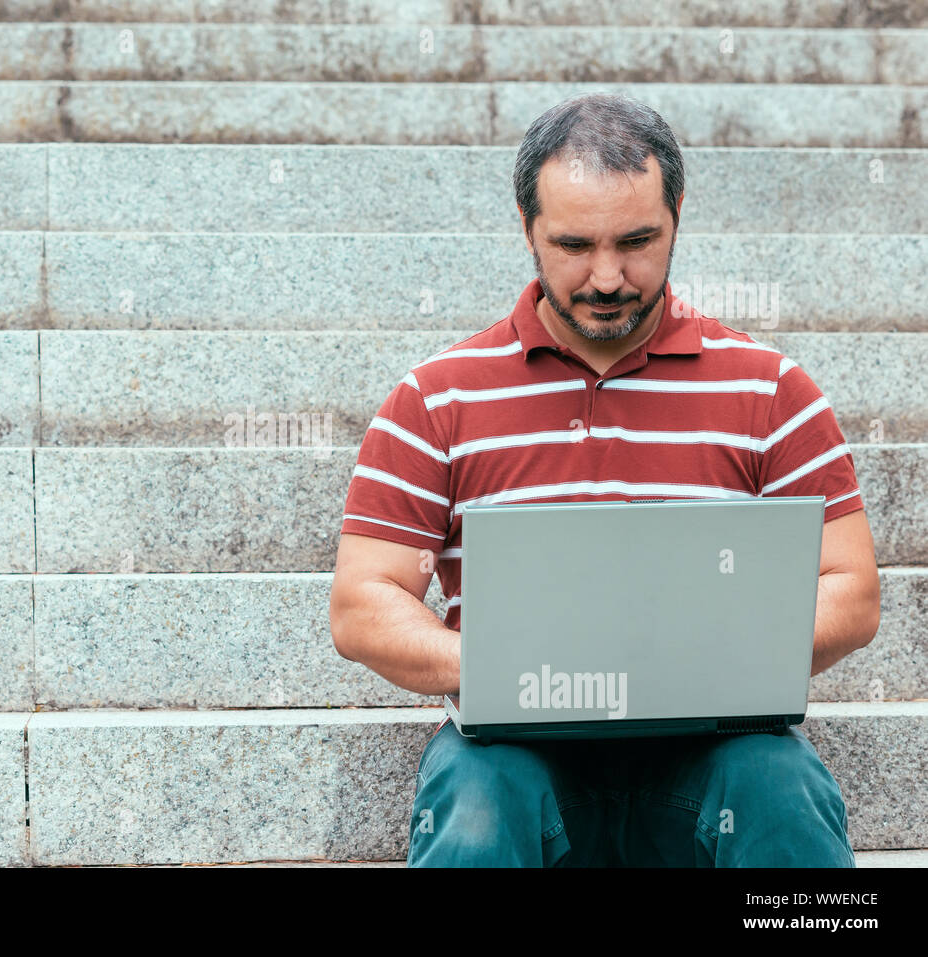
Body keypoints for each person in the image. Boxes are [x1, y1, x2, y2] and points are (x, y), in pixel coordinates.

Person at [328, 92, 881, 867]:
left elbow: (852, 588)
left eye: (638, 240)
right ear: (527, 228)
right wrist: (513, 667)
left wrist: (692, 656)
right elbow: (362, 602)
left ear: (678, 214)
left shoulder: (770, 392)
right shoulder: (435, 398)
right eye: (575, 244)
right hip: (516, 761)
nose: (608, 276)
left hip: (711, 762)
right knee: (479, 806)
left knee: (779, 787)